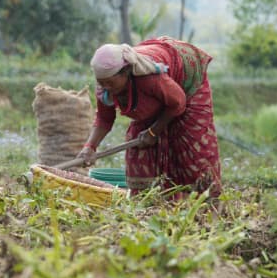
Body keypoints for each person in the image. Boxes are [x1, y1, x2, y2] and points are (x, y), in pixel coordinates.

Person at [76, 37, 222, 197]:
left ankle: (209, 203)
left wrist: (153, 131)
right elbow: (104, 119)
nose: (106, 87)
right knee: (139, 151)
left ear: (126, 73)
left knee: (192, 150)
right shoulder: (105, 89)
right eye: (101, 82)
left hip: (186, 85)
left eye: (110, 82)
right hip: (154, 100)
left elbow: (178, 103)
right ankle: (151, 204)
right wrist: (90, 147)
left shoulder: (149, 79)